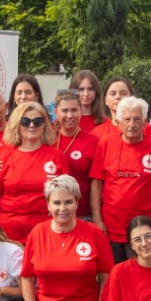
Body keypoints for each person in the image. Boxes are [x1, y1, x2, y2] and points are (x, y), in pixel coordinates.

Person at [22, 174, 114, 301]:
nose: (62, 208)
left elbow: (107, 279)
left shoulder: (93, 233)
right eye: (56, 202)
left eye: (68, 202)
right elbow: (27, 278)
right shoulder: (37, 233)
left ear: (76, 202)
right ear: (48, 204)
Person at [90, 97, 151, 260]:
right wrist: (98, 220)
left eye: (137, 119)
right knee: (115, 274)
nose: (132, 124)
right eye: (127, 119)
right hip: (112, 225)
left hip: (144, 226)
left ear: (145, 122)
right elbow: (96, 183)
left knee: (142, 273)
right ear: (118, 122)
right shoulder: (105, 143)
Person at [0, 101, 65, 242]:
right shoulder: (5, 157)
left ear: (44, 126)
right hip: (9, 235)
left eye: (37, 121)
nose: (32, 125)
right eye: (25, 121)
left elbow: (66, 197)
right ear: (17, 125)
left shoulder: (56, 156)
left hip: (46, 233)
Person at [52, 90, 100, 218]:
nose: (69, 115)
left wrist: (96, 217)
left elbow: (97, 183)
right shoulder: (46, 138)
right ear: (56, 112)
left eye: (74, 110)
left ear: (80, 112)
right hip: (50, 212)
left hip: (82, 212)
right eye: (64, 111)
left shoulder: (93, 142)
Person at [93, 77, 135, 142]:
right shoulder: (97, 133)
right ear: (105, 100)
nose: (118, 97)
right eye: (113, 93)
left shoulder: (145, 129)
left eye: (123, 93)